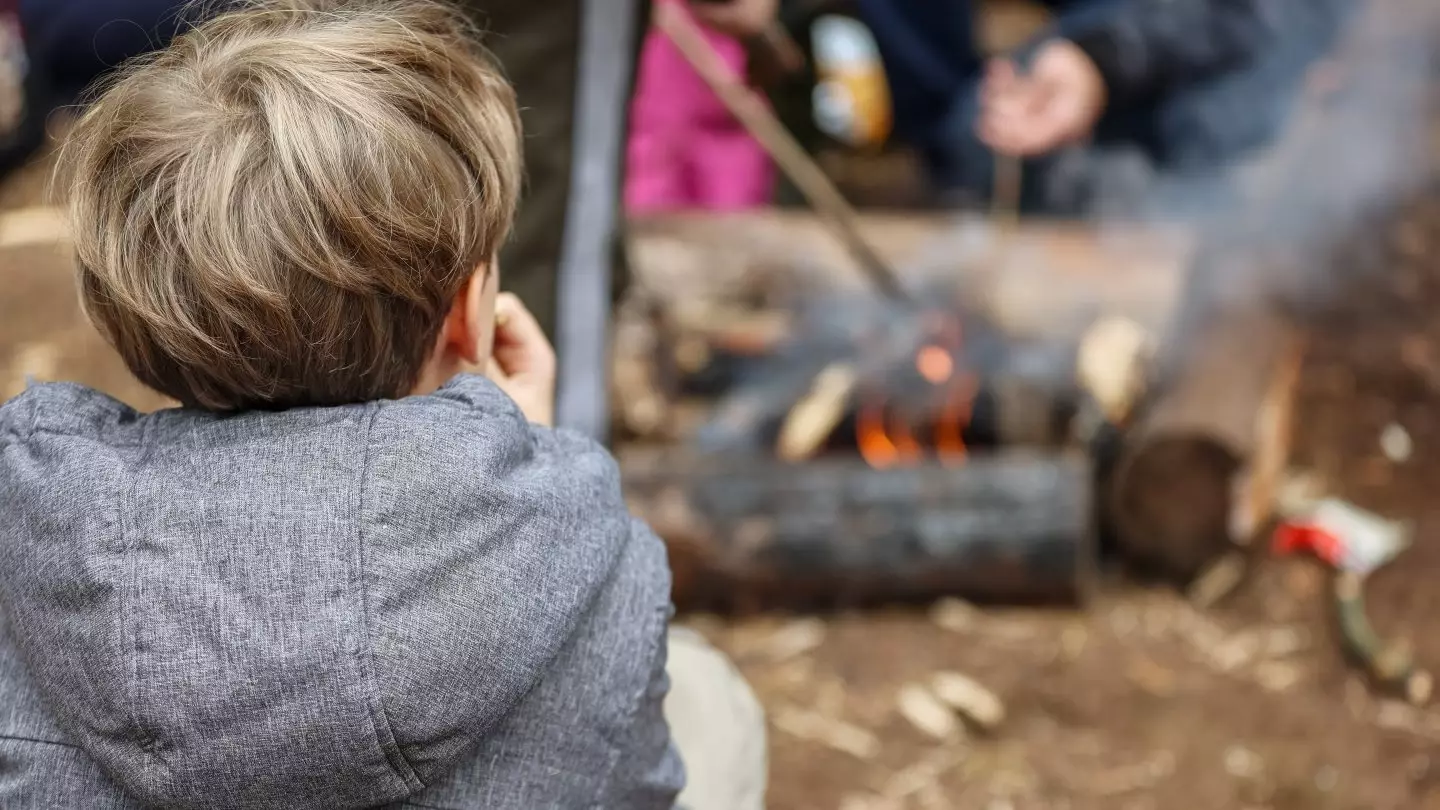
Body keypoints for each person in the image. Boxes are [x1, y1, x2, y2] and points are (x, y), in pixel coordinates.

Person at [0, 2, 765, 808]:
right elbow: (636, 784)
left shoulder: (31, 536)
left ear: (135, 316)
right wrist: (536, 466)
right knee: (713, 702)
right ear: (473, 313)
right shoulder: (607, 578)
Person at [855, 0, 1351, 213]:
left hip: (1233, 51)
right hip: (1121, 45)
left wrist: (1104, 61)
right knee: (973, 138)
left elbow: (1265, 16)